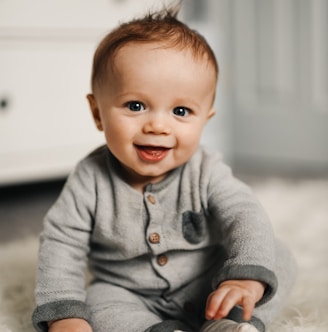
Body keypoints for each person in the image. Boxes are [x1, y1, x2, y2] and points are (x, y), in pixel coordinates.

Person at [32, 7, 296, 332]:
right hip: (128, 292)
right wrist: (64, 314)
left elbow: (244, 213)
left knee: (276, 257)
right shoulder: (90, 179)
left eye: (181, 110)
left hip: (210, 284)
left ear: (204, 121)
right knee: (98, 303)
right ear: (97, 112)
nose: (157, 125)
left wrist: (243, 277)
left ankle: (234, 324)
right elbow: (61, 243)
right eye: (136, 106)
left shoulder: (206, 169)